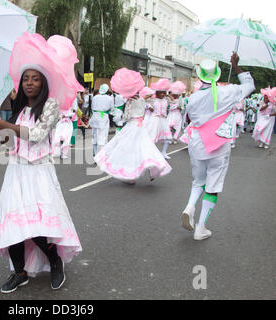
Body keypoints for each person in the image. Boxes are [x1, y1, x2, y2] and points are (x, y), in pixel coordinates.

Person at [0, 32, 82, 294]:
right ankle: (20, 272)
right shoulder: (20, 109)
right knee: (14, 222)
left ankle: (55, 260)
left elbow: (36, 136)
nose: (29, 83)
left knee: (37, 224)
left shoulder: (51, 105)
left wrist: (1, 123)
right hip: (16, 170)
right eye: (25, 79)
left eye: (35, 79)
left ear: (43, 82)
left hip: (39, 171)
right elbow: (9, 142)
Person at [181, 53, 254, 241]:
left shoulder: (193, 97)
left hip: (197, 143)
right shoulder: (228, 91)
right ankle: (201, 228)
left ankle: (190, 207)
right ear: (217, 75)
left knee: (198, 181)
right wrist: (236, 66)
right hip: (219, 144)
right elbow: (249, 86)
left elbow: (189, 119)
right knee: (212, 186)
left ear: (199, 76)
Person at [95, 68, 172, 184]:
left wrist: (120, 118)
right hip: (140, 127)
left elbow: (126, 117)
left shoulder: (130, 101)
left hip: (131, 126)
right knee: (146, 148)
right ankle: (154, 168)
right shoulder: (142, 100)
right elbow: (144, 115)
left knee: (126, 149)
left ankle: (131, 176)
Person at [146, 79, 173, 159]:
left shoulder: (166, 100)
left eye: (163, 93)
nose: (162, 94)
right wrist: (153, 93)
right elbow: (144, 99)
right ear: (157, 93)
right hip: (155, 120)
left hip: (163, 120)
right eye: (160, 92)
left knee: (168, 138)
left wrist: (168, 94)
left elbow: (174, 101)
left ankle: (164, 152)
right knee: (153, 138)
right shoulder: (153, 100)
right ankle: (151, 154)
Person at [89, 84, 115, 156]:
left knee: (95, 136)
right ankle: (102, 155)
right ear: (107, 90)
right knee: (103, 136)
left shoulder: (95, 97)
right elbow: (112, 110)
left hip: (95, 118)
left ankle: (95, 152)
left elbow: (92, 108)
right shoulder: (110, 98)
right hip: (104, 118)